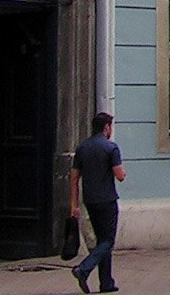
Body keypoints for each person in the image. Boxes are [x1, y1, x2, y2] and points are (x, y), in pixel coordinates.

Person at [70, 112, 126, 293]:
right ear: (106, 127)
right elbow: (120, 175)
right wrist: (122, 173)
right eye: (110, 126)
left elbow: (74, 177)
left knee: (102, 241)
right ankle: (84, 269)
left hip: (90, 200)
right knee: (108, 241)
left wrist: (74, 204)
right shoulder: (111, 148)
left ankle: (106, 282)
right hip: (107, 200)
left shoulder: (82, 147)